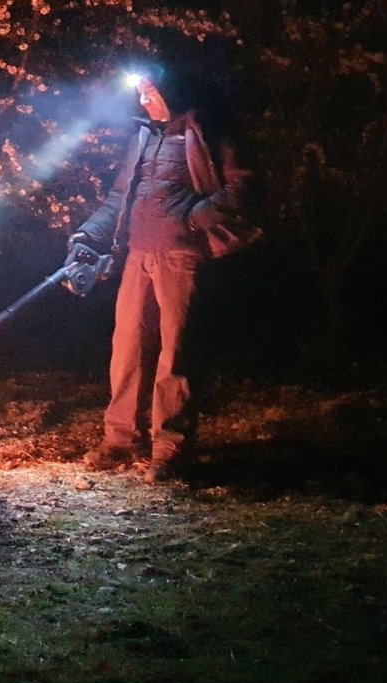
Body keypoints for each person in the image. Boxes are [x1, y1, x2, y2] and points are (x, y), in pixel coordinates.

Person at [71, 63, 257, 484]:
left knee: (176, 352)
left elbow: (242, 186)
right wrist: (87, 235)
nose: (143, 101)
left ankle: (169, 449)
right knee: (127, 348)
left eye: (150, 92)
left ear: (170, 92)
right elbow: (120, 196)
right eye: (139, 94)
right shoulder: (144, 137)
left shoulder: (204, 132)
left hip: (180, 257)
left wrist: (192, 218)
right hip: (137, 255)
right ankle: (119, 440)